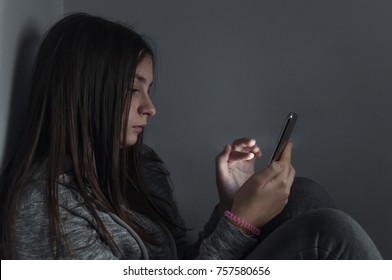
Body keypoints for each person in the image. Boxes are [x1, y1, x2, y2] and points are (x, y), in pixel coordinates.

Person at [0, 13, 382, 260]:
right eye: (134, 90)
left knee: (303, 194)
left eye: (150, 90)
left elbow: (181, 264)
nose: (150, 108)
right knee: (330, 233)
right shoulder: (46, 206)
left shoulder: (141, 167)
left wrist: (231, 204)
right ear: (85, 91)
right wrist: (240, 222)